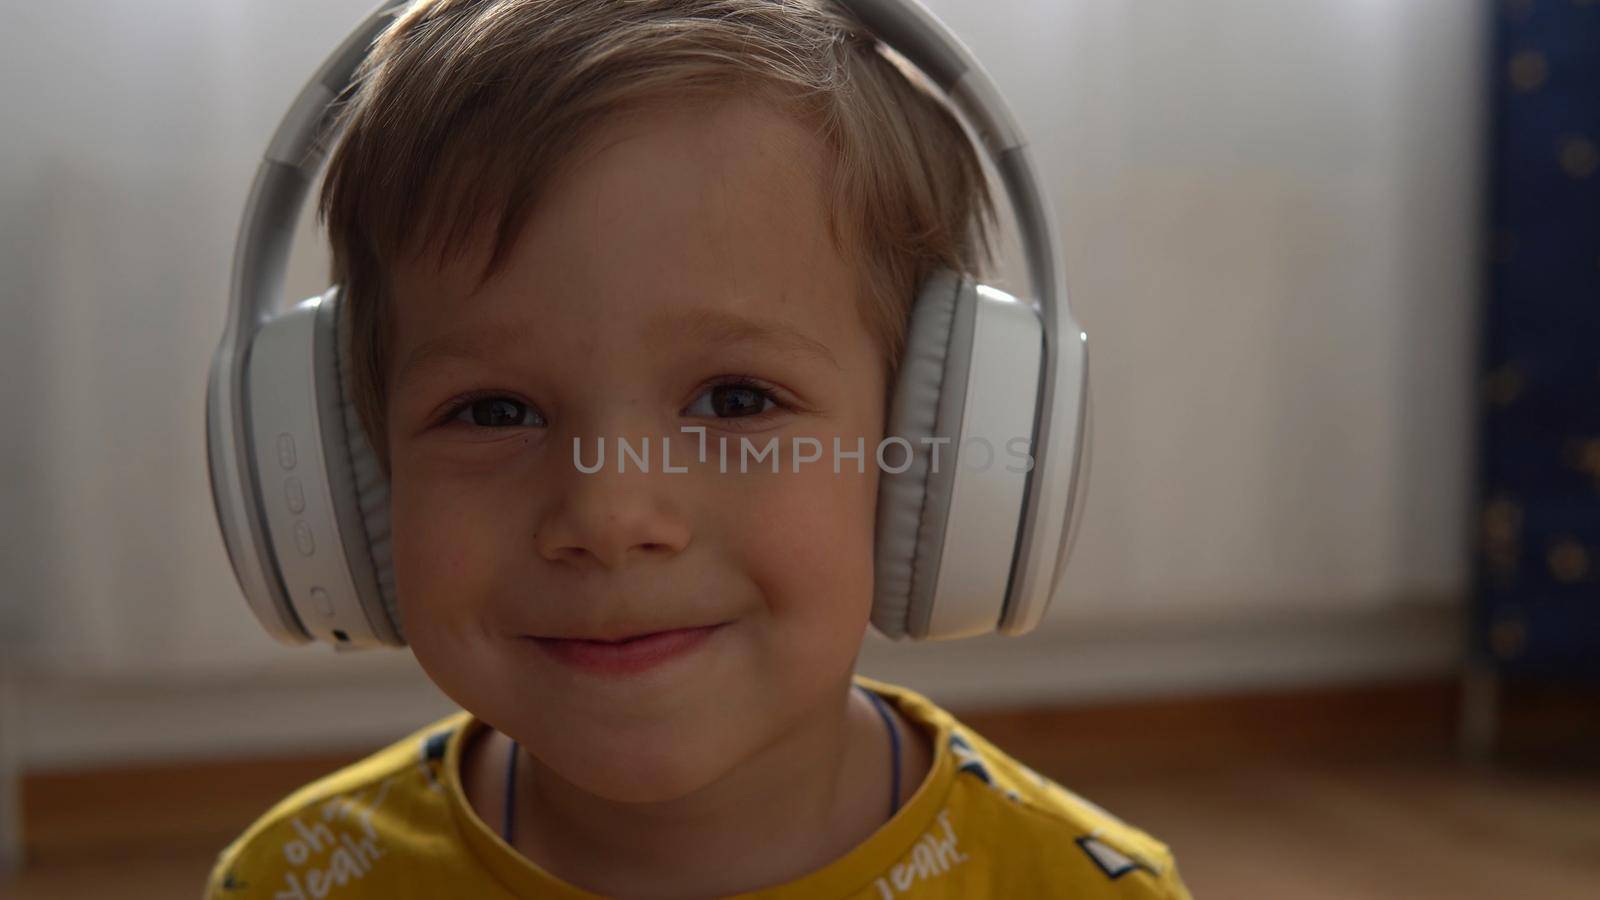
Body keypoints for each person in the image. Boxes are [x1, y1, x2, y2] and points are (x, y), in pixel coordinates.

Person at [205, 1, 1190, 897]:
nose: (607, 517)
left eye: (735, 399)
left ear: (929, 454)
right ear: (356, 467)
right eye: (495, 411)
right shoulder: (298, 882)